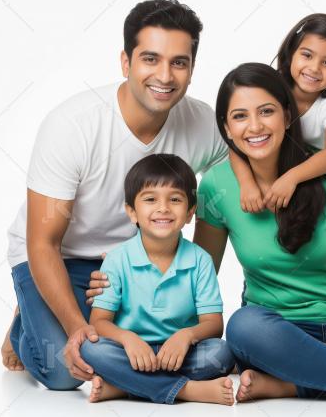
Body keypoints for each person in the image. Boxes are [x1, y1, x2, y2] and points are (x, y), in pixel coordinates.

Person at [1, 0, 326, 391]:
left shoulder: (200, 122)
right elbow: (42, 242)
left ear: (192, 70)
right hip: (58, 254)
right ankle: (30, 317)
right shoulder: (72, 126)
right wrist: (76, 328)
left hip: (138, 265)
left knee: (204, 357)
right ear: (126, 63)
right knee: (64, 372)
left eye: (178, 62)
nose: (164, 75)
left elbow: (253, 142)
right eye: (150, 59)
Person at [90, 63, 326, 404]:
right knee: (243, 328)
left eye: (266, 112)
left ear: (288, 116)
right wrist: (124, 273)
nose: (255, 127)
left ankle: (288, 387)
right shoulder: (217, 186)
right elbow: (198, 269)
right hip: (275, 333)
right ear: (226, 128)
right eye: (240, 117)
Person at [79, 154, 235, 405]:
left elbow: (214, 324)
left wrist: (186, 336)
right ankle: (186, 390)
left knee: (222, 353)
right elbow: (99, 323)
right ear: (132, 212)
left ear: (189, 213)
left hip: (180, 355)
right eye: (150, 199)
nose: (163, 208)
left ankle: (125, 386)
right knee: (91, 348)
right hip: (129, 353)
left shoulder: (200, 260)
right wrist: (128, 339)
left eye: (175, 200)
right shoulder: (117, 259)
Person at [231, 13, 326, 213]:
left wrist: (292, 177)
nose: (314, 68)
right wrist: (247, 184)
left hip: (310, 183)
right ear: (292, 52)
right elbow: (235, 141)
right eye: (307, 55)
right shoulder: (270, 88)